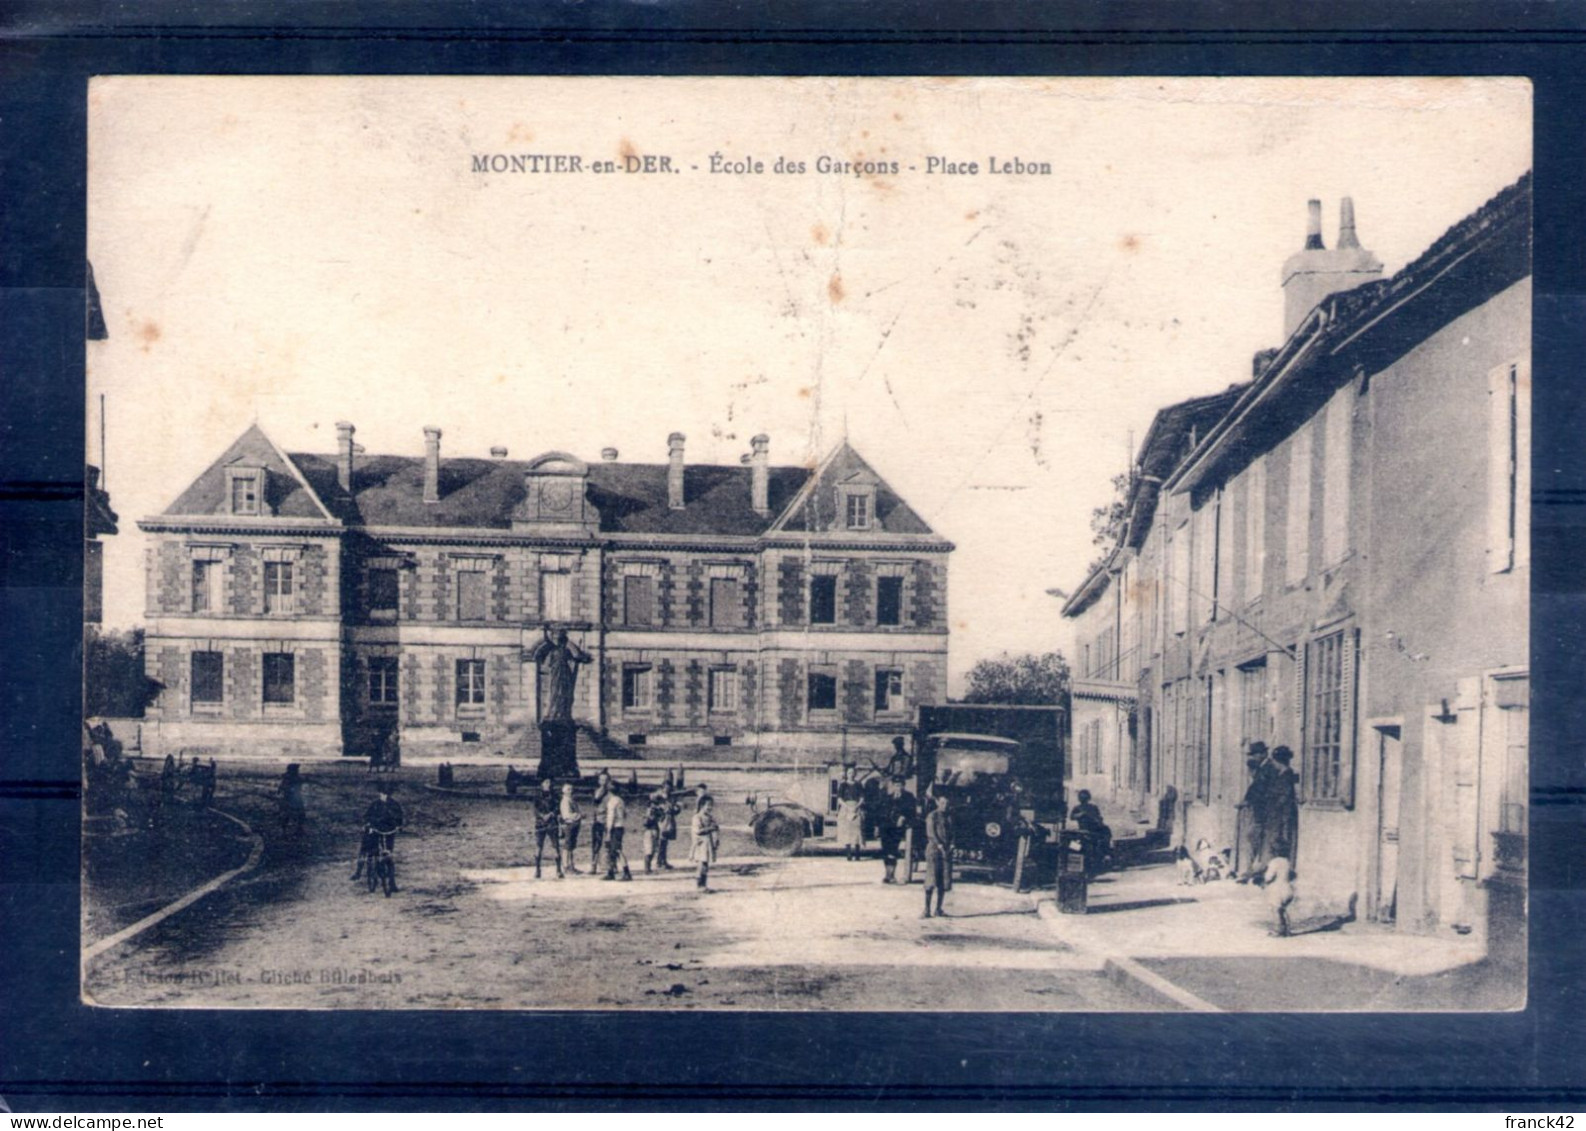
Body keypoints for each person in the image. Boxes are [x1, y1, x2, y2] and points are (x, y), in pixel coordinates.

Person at [1260, 746, 1300, 873]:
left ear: (1278, 762)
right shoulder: (1281, 774)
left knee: (1282, 841)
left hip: (1284, 815)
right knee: (1275, 841)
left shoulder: (1286, 775)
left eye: (1274, 762)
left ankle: (1283, 870)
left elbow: (1284, 797)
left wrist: (1272, 803)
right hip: (1278, 814)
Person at [1235, 742, 1271, 881]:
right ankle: (1252, 870)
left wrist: (1246, 802)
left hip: (1263, 812)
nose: (1254, 757)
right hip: (1258, 812)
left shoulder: (1266, 769)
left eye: (1255, 754)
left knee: (1254, 839)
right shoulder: (1262, 769)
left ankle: (1252, 871)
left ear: (1263, 754)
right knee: (1254, 839)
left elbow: (1258, 790)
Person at [362, 782, 405, 892]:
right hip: (376, 831)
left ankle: (392, 883)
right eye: (382, 793)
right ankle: (372, 875)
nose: (384, 796)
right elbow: (367, 816)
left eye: (386, 794)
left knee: (389, 856)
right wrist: (368, 825)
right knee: (374, 852)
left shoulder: (394, 805)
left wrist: (399, 826)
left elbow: (399, 816)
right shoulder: (375, 804)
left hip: (389, 832)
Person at [877, 776, 914, 884]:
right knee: (885, 851)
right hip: (886, 828)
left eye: (900, 785)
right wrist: (879, 827)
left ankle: (891, 875)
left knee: (893, 850)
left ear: (903, 786)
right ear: (893, 786)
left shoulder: (908, 797)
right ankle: (887, 874)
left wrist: (904, 817)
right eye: (896, 785)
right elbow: (881, 812)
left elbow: (912, 811)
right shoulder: (888, 798)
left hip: (897, 829)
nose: (898, 787)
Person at [921, 787, 952, 919]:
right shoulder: (932, 816)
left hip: (946, 852)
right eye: (943, 803)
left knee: (943, 881)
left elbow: (953, 833)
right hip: (934, 851)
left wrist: (952, 844)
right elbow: (931, 833)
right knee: (931, 879)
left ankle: (938, 909)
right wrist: (940, 846)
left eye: (947, 804)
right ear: (938, 803)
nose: (945, 806)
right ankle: (926, 910)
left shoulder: (949, 817)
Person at [1069, 789, 1112, 869]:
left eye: (1085, 797)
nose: (1083, 799)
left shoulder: (1093, 807)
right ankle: (1104, 855)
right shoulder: (1078, 808)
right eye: (1082, 797)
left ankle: (1106, 854)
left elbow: (1099, 817)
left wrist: (1098, 821)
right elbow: (1072, 817)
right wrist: (1081, 814)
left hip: (1094, 829)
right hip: (1084, 830)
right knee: (1075, 844)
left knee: (1106, 832)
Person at [532, 778, 563, 879]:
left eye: (550, 782)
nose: (548, 784)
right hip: (540, 823)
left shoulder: (556, 796)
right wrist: (542, 816)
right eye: (546, 782)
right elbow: (535, 810)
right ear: (542, 784)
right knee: (538, 846)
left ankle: (558, 870)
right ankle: (537, 870)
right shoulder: (537, 796)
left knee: (556, 846)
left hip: (552, 823)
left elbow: (558, 808)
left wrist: (550, 814)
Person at [1264, 840, 1296, 937]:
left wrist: (1265, 880)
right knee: (1283, 910)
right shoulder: (1287, 862)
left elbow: (1269, 877)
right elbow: (1292, 875)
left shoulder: (1274, 862)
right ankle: (1287, 930)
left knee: (1276, 910)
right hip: (1288, 889)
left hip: (1277, 890)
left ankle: (1278, 931)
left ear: (1274, 851)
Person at [691, 794, 720, 892]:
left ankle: (704, 885)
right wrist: (711, 828)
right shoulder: (697, 817)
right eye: (708, 805)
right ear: (702, 805)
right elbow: (698, 831)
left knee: (706, 864)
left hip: (708, 843)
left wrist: (716, 838)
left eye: (711, 805)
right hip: (701, 844)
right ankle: (700, 885)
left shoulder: (710, 817)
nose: (710, 807)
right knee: (702, 864)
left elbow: (716, 828)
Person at [602, 786, 632, 882]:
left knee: (616, 850)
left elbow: (611, 817)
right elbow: (625, 814)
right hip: (620, 825)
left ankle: (626, 872)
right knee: (612, 850)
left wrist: (608, 831)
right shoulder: (621, 800)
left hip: (614, 827)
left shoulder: (612, 801)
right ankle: (610, 872)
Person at [836, 765, 865, 862]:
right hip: (845, 808)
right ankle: (848, 854)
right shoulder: (843, 785)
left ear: (855, 774)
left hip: (856, 807)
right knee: (847, 831)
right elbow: (839, 798)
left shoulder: (858, 784)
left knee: (857, 831)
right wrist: (847, 807)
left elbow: (862, 798)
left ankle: (857, 854)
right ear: (846, 774)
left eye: (852, 773)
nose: (851, 775)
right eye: (849, 773)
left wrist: (856, 807)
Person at [642, 789, 672, 874]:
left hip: (654, 830)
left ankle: (648, 868)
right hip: (651, 830)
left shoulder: (655, 809)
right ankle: (647, 869)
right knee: (650, 850)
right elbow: (647, 822)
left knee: (652, 849)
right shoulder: (652, 810)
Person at [590, 769, 613, 873]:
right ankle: (593, 865)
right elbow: (595, 805)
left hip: (608, 820)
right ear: (599, 781)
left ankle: (611, 865)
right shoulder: (597, 792)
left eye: (605, 780)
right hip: (598, 820)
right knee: (596, 843)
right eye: (601, 780)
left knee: (609, 843)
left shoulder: (612, 794)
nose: (603, 782)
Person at [558, 782, 583, 875]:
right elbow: (566, 815)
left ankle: (571, 866)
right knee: (567, 847)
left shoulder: (571, 800)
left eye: (571, 789)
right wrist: (579, 815)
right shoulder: (565, 801)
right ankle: (566, 866)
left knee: (571, 847)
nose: (571, 791)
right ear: (563, 791)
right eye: (568, 789)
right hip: (569, 825)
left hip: (574, 825)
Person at [277, 763, 306, 835]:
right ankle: (295, 829)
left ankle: (297, 828)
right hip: (292, 798)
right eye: (296, 770)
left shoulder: (288, 777)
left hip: (292, 798)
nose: (297, 771)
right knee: (291, 814)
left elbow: (281, 787)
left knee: (292, 814)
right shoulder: (294, 778)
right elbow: (283, 786)